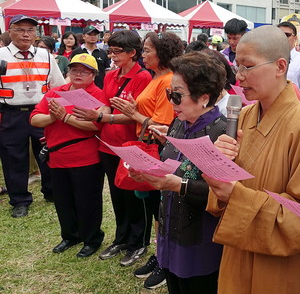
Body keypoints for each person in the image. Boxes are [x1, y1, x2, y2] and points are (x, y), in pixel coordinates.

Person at [203, 25, 300, 294]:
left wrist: (236, 195)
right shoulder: (244, 117)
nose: (240, 76)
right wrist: (219, 167)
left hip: (281, 266)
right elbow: (226, 190)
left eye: (248, 67)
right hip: (239, 247)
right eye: (238, 67)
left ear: (280, 66)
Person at [129, 51, 227, 294]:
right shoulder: (180, 123)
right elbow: (173, 166)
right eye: (168, 94)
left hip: (200, 240)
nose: (171, 102)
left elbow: (223, 195)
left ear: (204, 97)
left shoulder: (222, 133)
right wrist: (148, 173)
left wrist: (176, 184)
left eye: (176, 95)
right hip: (171, 229)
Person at [72, 30, 153, 267]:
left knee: (135, 196)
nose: (113, 55)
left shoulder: (143, 78)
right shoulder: (110, 76)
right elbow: (106, 107)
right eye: (111, 50)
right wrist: (99, 115)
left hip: (131, 145)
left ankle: (139, 242)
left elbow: (137, 117)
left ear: (132, 53)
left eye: (117, 51)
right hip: (108, 145)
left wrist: (100, 117)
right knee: (117, 195)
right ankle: (122, 238)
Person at [111, 31, 184, 289]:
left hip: (157, 148)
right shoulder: (156, 79)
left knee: (160, 209)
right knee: (155, 208)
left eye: (146, 50)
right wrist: (135, 108)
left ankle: (165, 260)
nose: (143, 54)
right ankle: (160, 255)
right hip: (147, 146)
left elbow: (165, 125)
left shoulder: (168, 81)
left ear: (161, 53)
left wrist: (134, 113)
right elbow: (150, 112)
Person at [30, 54, 106, 258]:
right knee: (63, 201)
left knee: (87, 201)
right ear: (67, 72)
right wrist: (52, 117)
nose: (78, 74)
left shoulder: (98, 96)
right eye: (74, 70)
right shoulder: (56, 92)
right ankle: (70, 235)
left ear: (93, 75)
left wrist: (65, 117)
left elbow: (94, 126)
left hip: (86, 158)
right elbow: (35, 119)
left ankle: (91, 238)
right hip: (57, 157)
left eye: (84, 71)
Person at [0, 15, 65, 218]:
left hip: (41, 112)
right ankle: (19, 200)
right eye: (20, 30)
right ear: (10, 32)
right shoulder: (1, 55)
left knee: (47, 153)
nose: (26, 34)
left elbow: (58, 85)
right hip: (10, 113)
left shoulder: (45, 56)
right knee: (13, 158)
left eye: (30, 30)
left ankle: (51, 192)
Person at [278, 21, 300, 89]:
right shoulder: (268, 58)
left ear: (295, 38)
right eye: (280, 34)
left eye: (287, 35)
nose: (283, 37)